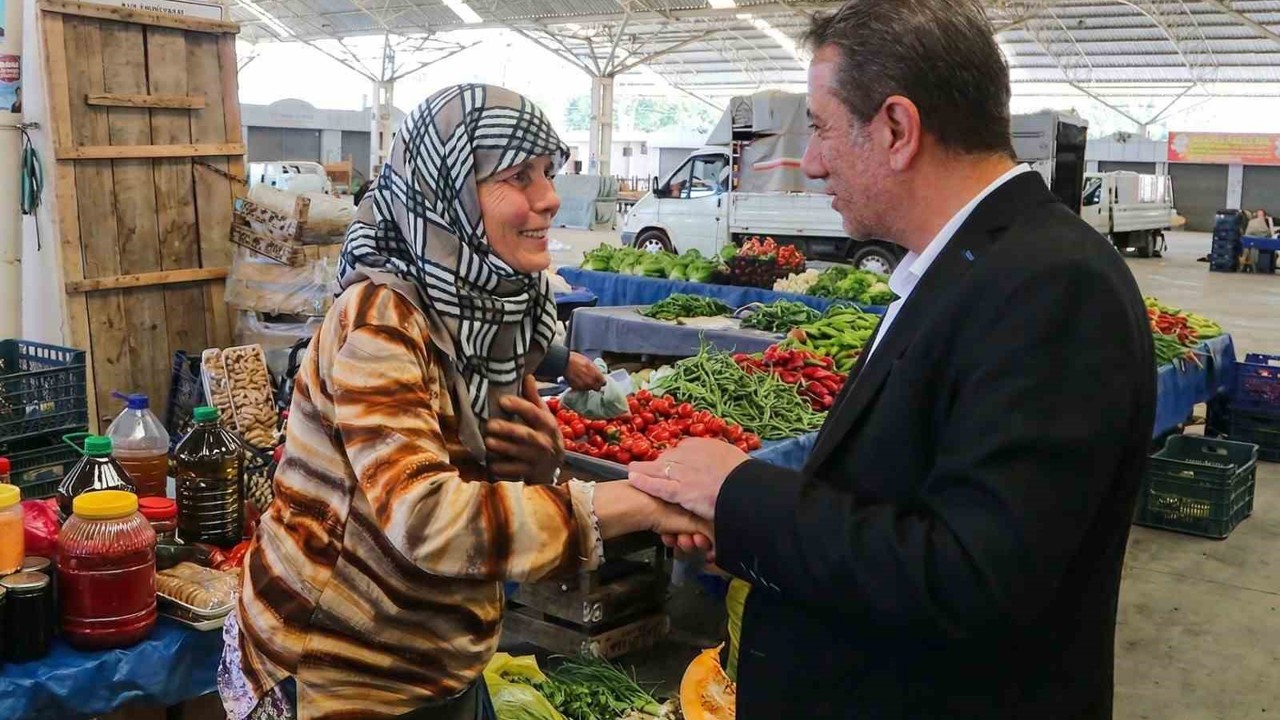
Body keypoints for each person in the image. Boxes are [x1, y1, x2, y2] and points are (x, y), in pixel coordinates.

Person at [630, 1, 1156, 718]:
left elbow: (971, 578)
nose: (810, 163)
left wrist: (740, 493)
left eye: (819, 128)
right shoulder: (969, 268)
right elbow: (901, 494)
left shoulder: (1052, 287)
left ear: (898, 129)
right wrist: (746, 535)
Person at [219, 84, 707, 720]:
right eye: (516, 176)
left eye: (548, 171)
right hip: (345, 669)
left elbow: (488, 479)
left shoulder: (492, 309)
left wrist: (545, 471)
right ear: (445, 188)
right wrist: (639, 504)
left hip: (443, 655)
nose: (550, 197)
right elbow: (425, 520)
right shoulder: (381, 323)